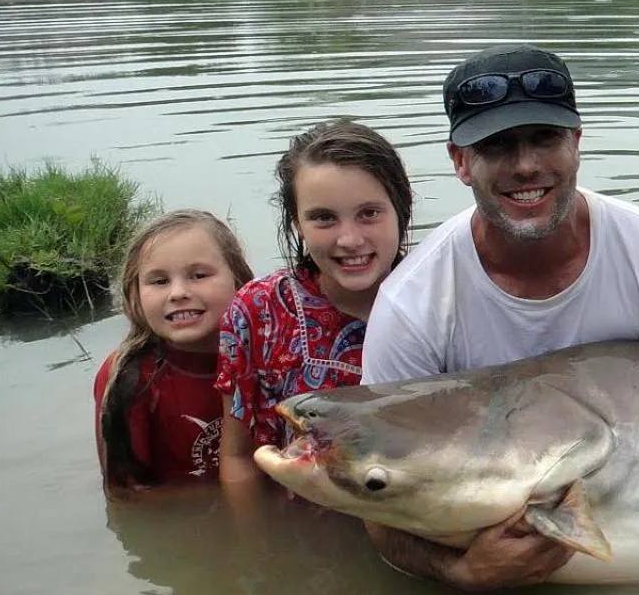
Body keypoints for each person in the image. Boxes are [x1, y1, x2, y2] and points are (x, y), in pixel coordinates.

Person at [360, 42, 639, 591]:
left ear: (576, 143)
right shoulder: (413, 305)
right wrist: (464, 573)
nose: (526, 165)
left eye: (545, 138)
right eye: (498, 145)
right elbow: (379, 507)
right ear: (459, 161)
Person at [215, 119, 413, 486]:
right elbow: (237, 456)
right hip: (299, 520)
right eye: (323, 218)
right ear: (296, 225)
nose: (350, 239)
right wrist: (256, 542)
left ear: (401, 209)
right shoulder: (258, 310)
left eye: (369, 213)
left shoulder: (440, 300)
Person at [93, 210, 254, 495]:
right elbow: (127, 496)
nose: (178, 293)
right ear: (134, 295)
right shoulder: (127, 377)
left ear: (239, 280)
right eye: (159, 281)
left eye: (199, 275)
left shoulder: (270, 357)